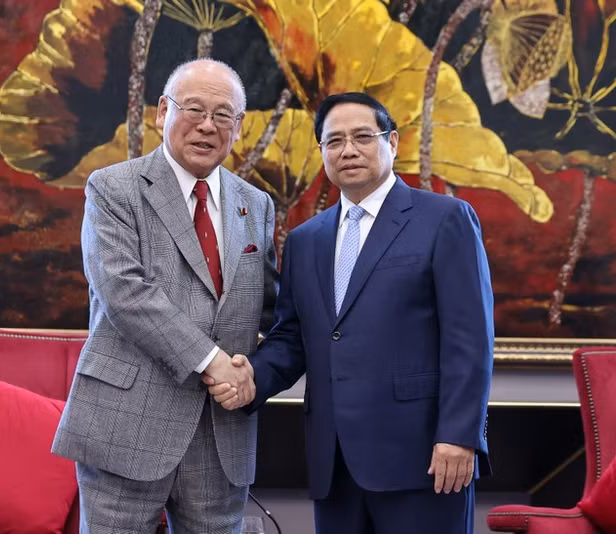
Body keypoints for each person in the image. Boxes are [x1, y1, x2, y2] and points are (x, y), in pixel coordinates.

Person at [207, 92, 494, 533]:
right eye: (334, 140)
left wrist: (459, 435)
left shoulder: (445, 219)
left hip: (424, 458)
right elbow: (292, 338)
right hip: (334, 460)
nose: (349, 150)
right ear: (322, 151)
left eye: (363, 136)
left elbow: (470, 339)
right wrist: (250, 380)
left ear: (392, 142)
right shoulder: (306, 240)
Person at [52, 58, 278, 534]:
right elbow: (125, 292)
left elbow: (273, 308)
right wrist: (214, 361)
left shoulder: (256, 205)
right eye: (193, 108)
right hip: (126, 423)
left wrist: (257, 372)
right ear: (161, 112)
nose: (206, 125)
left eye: (223, 115)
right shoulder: (113, 188)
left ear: (238, 127)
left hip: (221, 432)